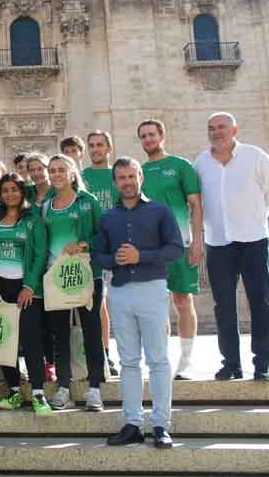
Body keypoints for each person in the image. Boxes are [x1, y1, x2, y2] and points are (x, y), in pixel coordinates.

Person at [94, 157, 182, 449]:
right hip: (120, 292)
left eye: (131, 175)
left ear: (140, 177)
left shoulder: (160, 211)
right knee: (129, 361)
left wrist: (140, 256)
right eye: (121, 177)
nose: (127, 181)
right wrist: (116, 259)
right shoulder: (107, 218)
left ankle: (161, 425)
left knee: (158, 359)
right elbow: (98, 256)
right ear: (115, 182)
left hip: (152, 290)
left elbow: (175, 249)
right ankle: (132, 424)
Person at [194, 112, 269, 382]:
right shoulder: (201, 162)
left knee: (261, 304)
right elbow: (197, 205)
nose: (216, 132)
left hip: (254, 240)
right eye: (211, 128)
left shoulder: (256, 157)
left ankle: (264, 364)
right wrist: (198, 240)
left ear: (234, 129)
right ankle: (231, 364)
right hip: (218, 243)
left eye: (222, 127)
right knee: (223, 306)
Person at [0, 172, 52, 417]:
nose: (10, 194)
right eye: (5, 190)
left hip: (25, 288)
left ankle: (37, 393)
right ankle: (13, 391)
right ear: (0, 194)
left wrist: (30, 286)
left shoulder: (33, 220)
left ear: (22, 192)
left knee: (31, 340)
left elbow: (40, 254)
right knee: (4, 340)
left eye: (14, 189)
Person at [139, 119, 203, 380]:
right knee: (155, 304)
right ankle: (160, 360)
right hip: (149, 249)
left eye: (151, 135)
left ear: (161, 135)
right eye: (143, 136)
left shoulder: (180, 166)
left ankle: (186, 360)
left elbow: (196, 206)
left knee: (182, 300)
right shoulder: (139, 171)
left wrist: (197, 240)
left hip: (180, 243)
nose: (148, 140)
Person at [43, 154, 104, 411]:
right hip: (57, 278)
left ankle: (94, 388)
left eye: (61, 170)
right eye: (52, 170)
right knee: (60, 334)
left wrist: (83, 244)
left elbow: (103, 234)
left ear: (71, 172)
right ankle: (64, 387)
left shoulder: (87, 201)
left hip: (86, 274)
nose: (56, 174)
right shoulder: (46, 205)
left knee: (91, 330)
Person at [81, 130, 120, 377]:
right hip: (92, 250)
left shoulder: (119, 174)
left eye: (99, 145)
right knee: (98, 304)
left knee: (119, 303)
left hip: (117, 248)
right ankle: (103, 353)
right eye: (91, 145)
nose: (95, 149)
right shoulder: (81, 177)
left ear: (109, 148)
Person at [24, 152, 56, 382]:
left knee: (54, 316)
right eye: (32, 169)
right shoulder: (27, 193)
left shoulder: (57, 192)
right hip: (34, 261)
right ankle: (38, 363)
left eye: (40, 168)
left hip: (55, 258)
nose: (36, 173)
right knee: (35, 317)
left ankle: (52, 362)